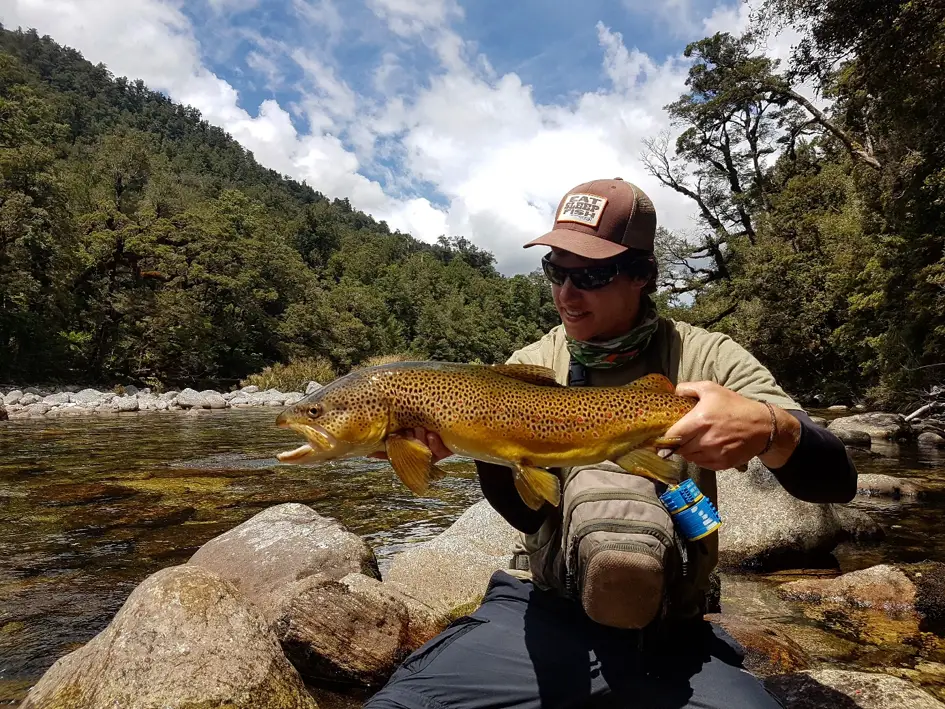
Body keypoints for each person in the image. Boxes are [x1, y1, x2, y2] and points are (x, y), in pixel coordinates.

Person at [364, 178, 858, 709]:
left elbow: (836, 480)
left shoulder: (709, 358)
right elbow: (531, 518)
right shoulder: (531, 364)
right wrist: (479, 444)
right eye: (556, 270)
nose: (566, 295)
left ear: (643, 275)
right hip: (548, 608)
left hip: (673, 631)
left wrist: (771, 428)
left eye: (591, 275)